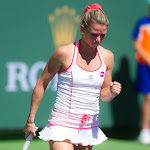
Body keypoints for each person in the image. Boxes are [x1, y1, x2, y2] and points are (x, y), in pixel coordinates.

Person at [24, 3, 122, 150]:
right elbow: (41, 84)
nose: (98, 39)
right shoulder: (63, 53)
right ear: (83, 29)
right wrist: (30, 120)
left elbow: (104, 95)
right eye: (94, 34)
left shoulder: (108, 57)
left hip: (89, 125)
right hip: (62, 122)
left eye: (103, 35)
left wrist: (112, 93)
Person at [132, 1, 150, 145]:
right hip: (145, 65)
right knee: (148, 97)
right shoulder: (142, 23)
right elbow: (137, 44)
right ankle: (145, 130)